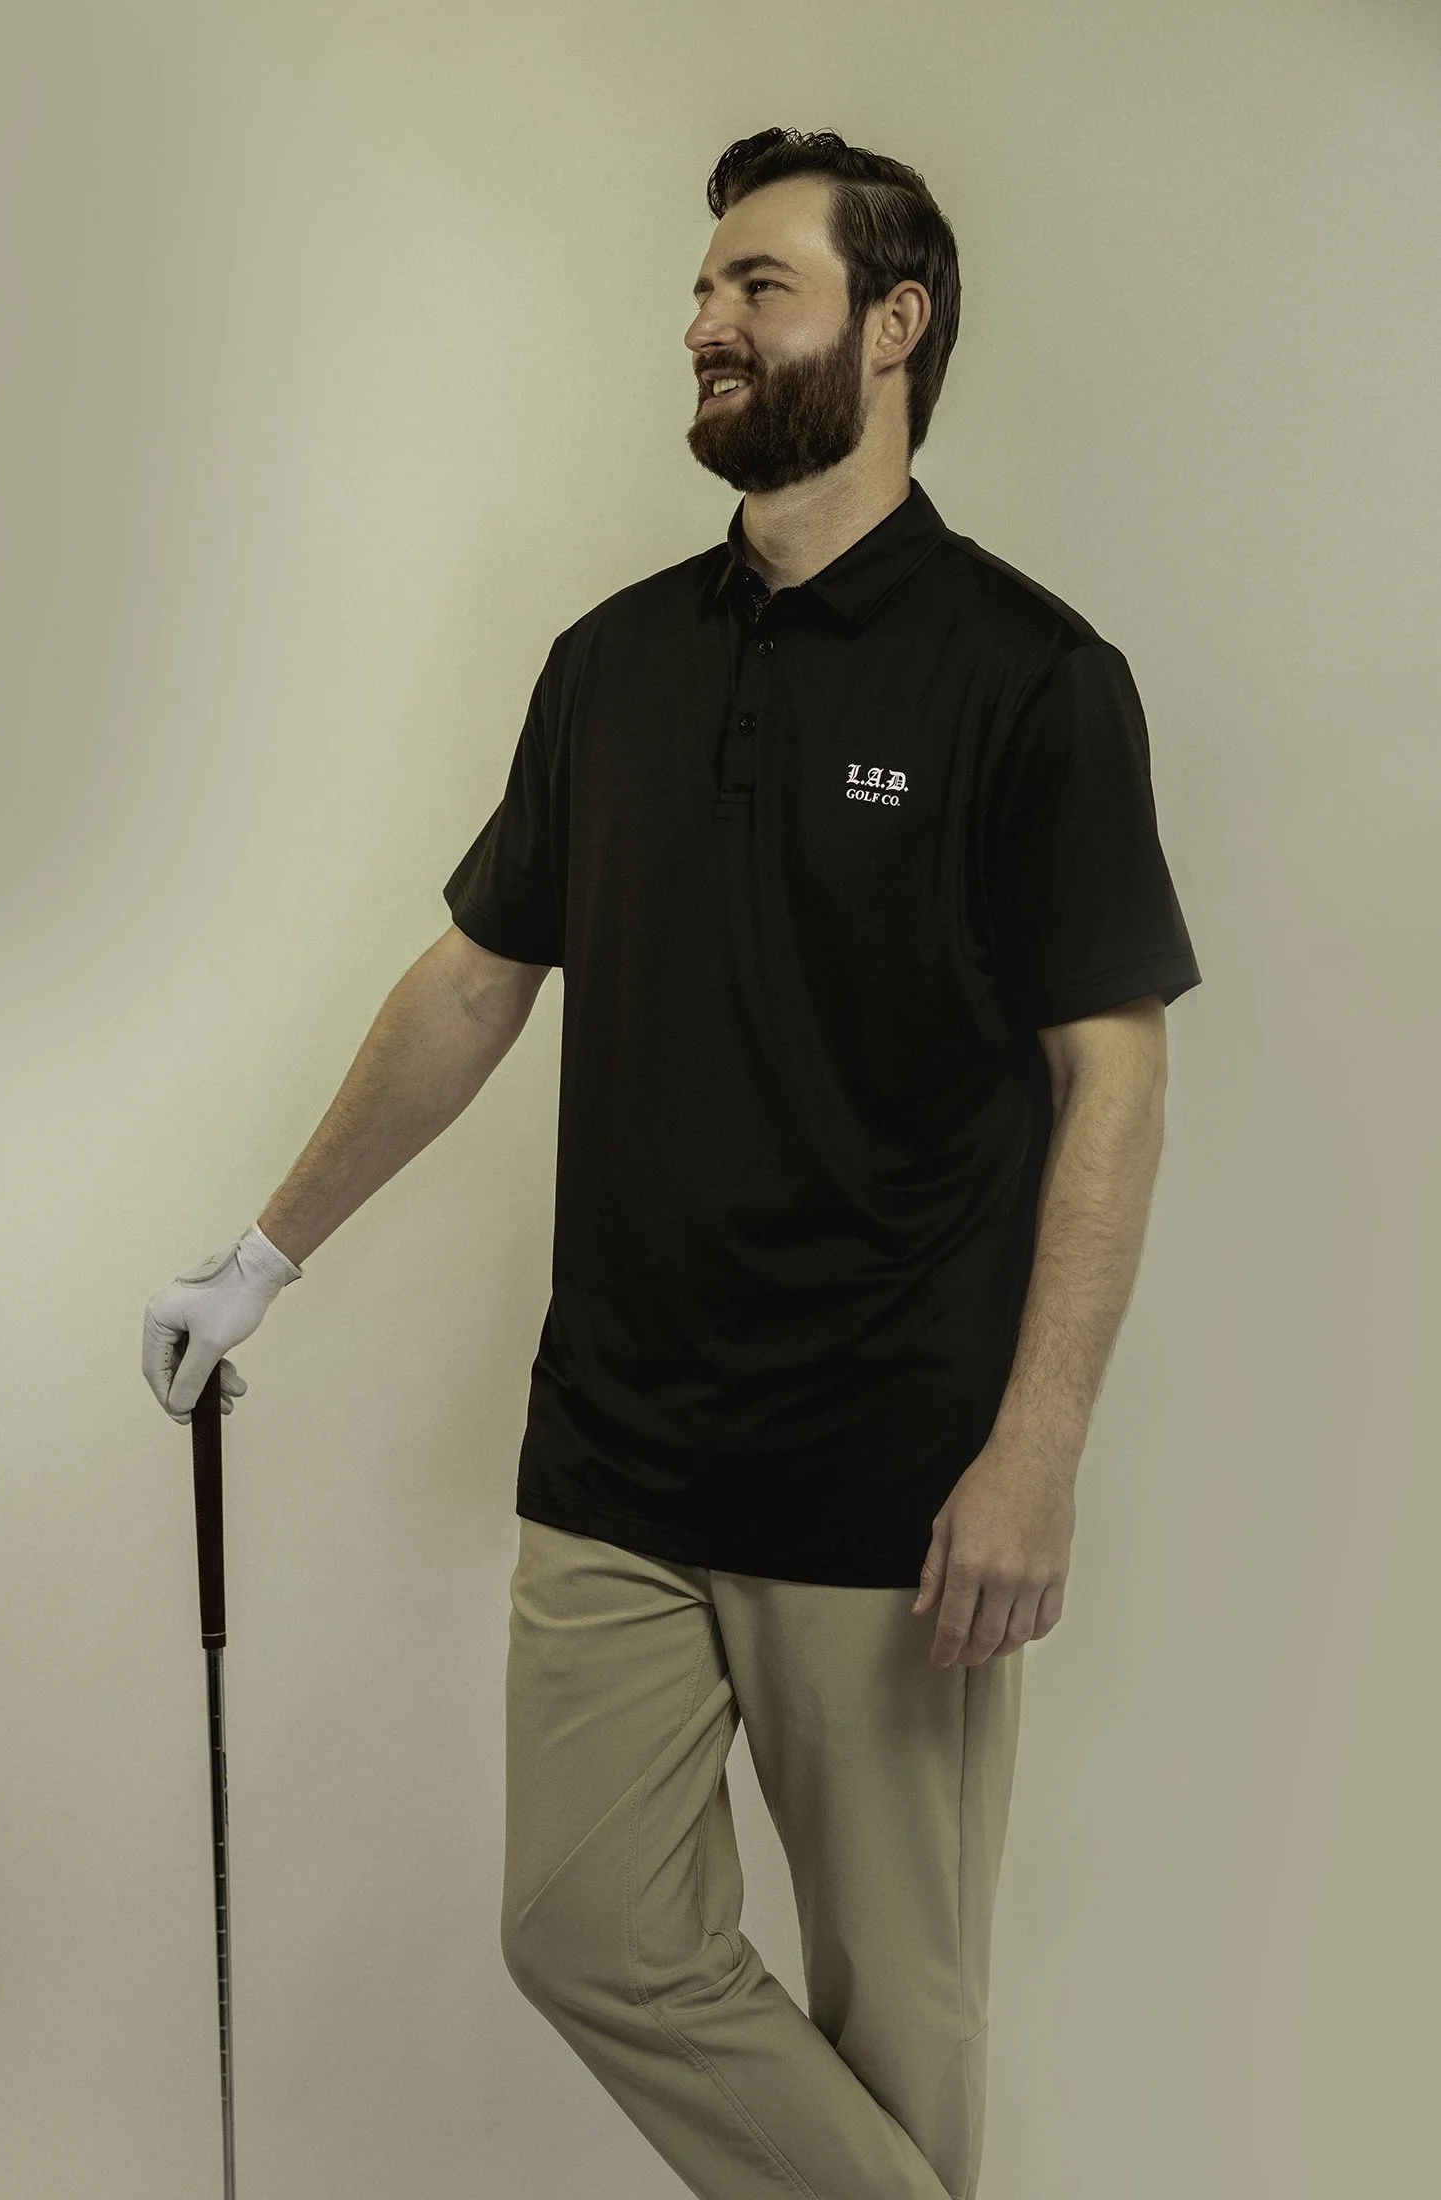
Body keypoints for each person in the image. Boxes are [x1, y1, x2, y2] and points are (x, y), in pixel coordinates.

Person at [144, 126, 1201, 2200]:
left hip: (892, 1486)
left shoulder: (1030, 680)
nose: (704, 324)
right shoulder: (609, 663)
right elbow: (472, 981)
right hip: (617, 1457)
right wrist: (261, 1255)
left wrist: (1038, 1445)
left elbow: (1116, 1075)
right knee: (586, 1930)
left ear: (891, 328)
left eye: (755, 287)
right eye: (702, 289)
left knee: (898, 2014)